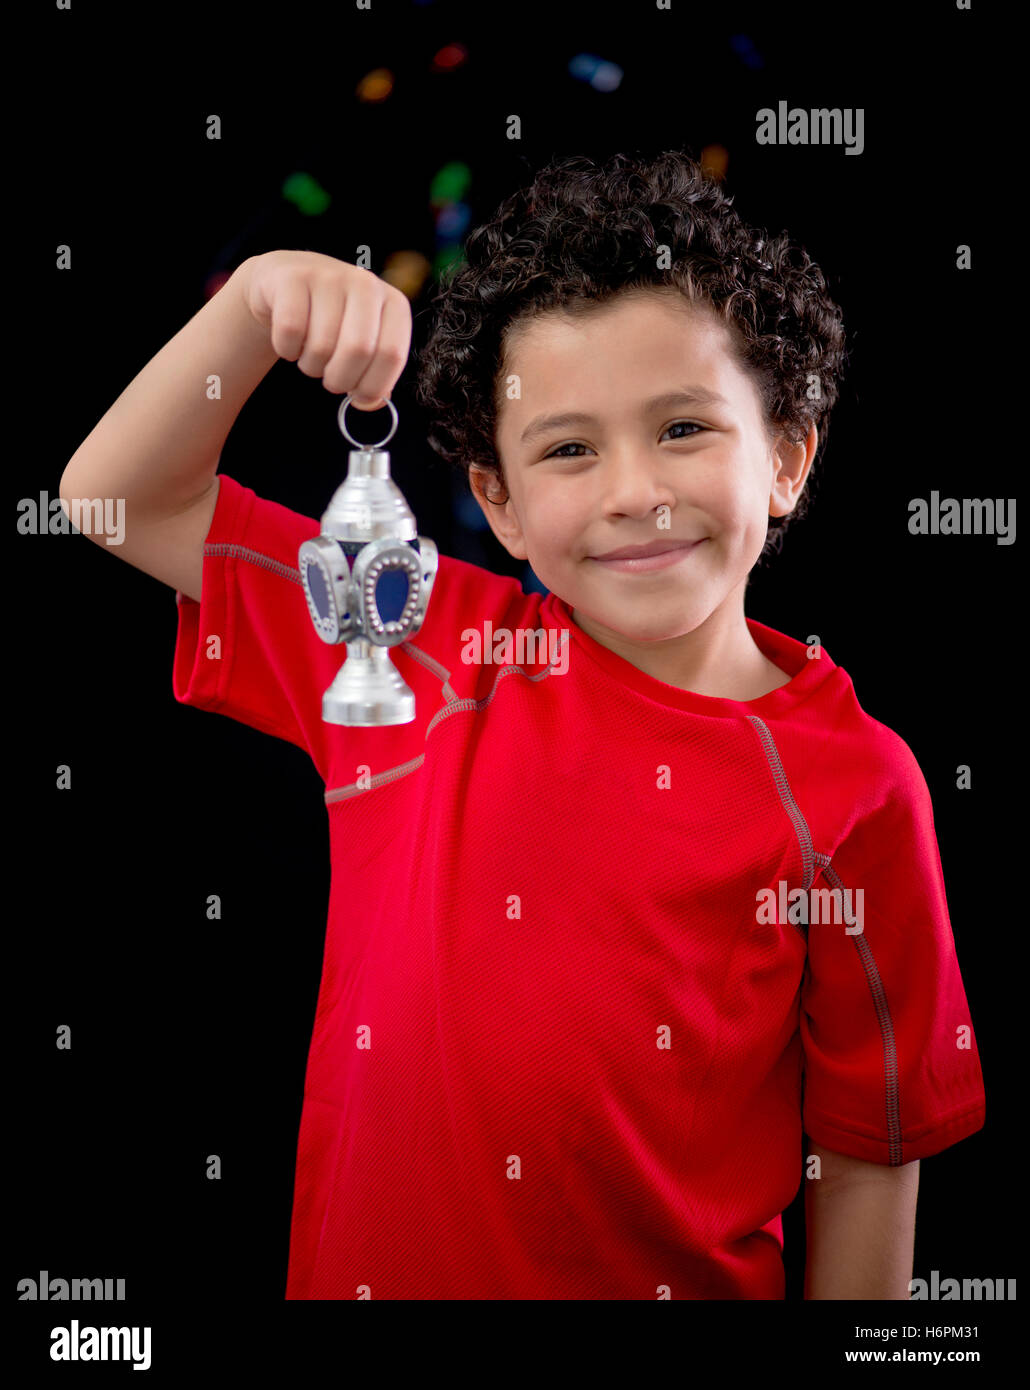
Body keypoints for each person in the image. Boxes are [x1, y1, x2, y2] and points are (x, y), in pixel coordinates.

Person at [59, 149, 985, 1300]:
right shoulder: (404, 632)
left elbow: (861, 1164)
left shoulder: (858, 788)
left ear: (788, 457)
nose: (633, 490)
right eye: (566, 448)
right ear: (494, 498)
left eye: (684, 428)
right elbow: (114, 499)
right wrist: (251, 307)